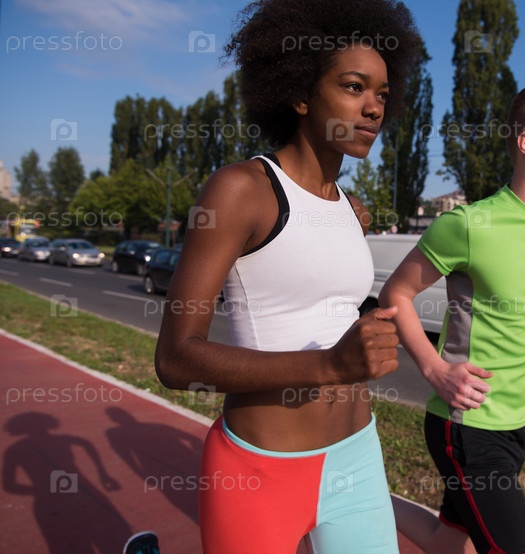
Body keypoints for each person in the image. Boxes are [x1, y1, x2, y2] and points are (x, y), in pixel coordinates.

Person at [154, 1, 421, 552]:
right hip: (258, 472)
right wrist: (330, 366)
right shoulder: (240, 191)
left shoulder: (352, 210)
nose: (373, 108)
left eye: (382, 94)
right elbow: (175, 359)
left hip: (356, 458)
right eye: (354, 87)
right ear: (300, 93)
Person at [380, 81, 525, 554]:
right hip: (468, 424)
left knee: (450, 543)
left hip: (521, 420)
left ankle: (352, 497)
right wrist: (434, 369)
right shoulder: (468, 225)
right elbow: (395, 294)